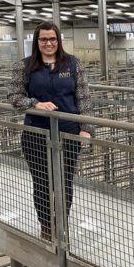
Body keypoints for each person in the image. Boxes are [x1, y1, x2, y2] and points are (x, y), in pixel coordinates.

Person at [8, 21, 93, 241]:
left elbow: (83, 98)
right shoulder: (25, 66)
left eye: (52, 39)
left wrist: (86, 129)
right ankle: (46, 228)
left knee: (64, 182)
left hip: (67, 133)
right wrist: (35, 103)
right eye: (44, 39)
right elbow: (13, 96)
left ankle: (62, 226)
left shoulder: (73, 64)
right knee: (42, 182)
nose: (49, 43)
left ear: (58, 40)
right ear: (37, 41)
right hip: (36, 133)